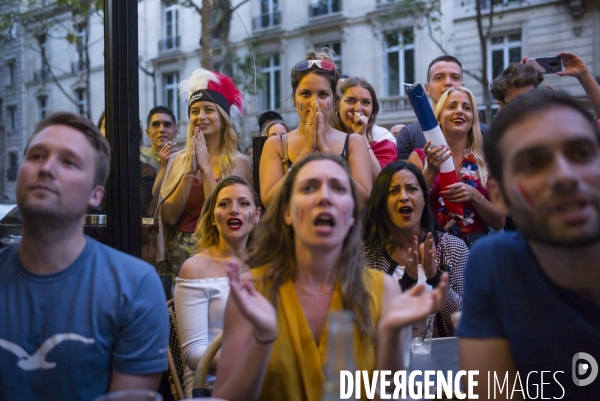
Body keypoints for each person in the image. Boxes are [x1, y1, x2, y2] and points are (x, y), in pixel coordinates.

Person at [212, 153, 448, 401]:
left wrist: (390, 335)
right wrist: (263, 339)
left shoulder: (383, 289)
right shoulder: (252, 291)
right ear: (287, 213)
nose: (324, 197)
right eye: (309, 187)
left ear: (352, 216)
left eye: (337, 188)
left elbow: (389, 395)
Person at [0, 112, 168, 400]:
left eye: (69, 162)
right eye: (37, 156)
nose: (47, 168)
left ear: (96, 195)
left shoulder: (135, 288)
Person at [458, 90, 600, 399]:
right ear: (498, 195)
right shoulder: (494, 265)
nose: (565, 176)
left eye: (582, 153)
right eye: (534, 163)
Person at [155, 68, 252, 272]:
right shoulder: (177, 159)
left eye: (209, 109)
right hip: (178, 259)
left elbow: (224, 215)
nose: (201, 117)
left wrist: (206, 169)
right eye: (194, 111)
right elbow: (169, 217)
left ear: (223, 117)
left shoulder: (239, 163)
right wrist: (189, 172)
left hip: (222, 256)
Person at [174, 176, 261, 398]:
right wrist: (255, 367)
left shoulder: (267, 267)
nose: (234, 210)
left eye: (243, 203)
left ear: (257, 215)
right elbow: (194, 354)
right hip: (212, 386)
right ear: (214, 218)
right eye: (224, 204)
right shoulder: (194, 268)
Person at [259, 51, 373, 211]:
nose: (314, 102)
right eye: (305, 94)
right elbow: (270, 202)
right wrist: (306, 150)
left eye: (323, 94)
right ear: (294, 98)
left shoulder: (354, 142)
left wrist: (326, 151)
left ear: (334, 100)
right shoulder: (276, 144)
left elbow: (362, 203)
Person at [364, 161, 466, 336]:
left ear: (424, 200)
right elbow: (367, 326)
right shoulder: (367, 256)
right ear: (382, 203)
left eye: (411, 189)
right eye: (394, 191)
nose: (404, 196)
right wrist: (405, 284)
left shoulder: (453, 248)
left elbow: (464, 324)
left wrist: (436, 279)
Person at [408, 87, 505, 246]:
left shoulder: (488, 159)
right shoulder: (419, 157)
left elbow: (499, 222)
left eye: (466, 108)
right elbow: (411, 206)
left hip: (477, 245)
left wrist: (475, 196)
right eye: (452, 106)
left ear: (473, 118)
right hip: (433, 244)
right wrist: (431, 171)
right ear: (438, 116)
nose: (459, 111)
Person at [397, 55, 489, 160]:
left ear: (463, 87)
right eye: (439, 78)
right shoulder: (409, 135)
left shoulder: (484, 133)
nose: (448, 83)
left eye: (455, 77)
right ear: (427, 88)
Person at [334, 77, 398, 179]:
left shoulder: (383, 138)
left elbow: (381, 181)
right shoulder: (325, 135)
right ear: (337, 104)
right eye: (350, 101)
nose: (358, 108)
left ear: (373, 109)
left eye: (366, 102)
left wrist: (361, 136)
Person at [142, 106, 178, 216]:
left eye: (167, 125)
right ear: (148, 132)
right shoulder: (139, 161)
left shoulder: (184, 161)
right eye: (156, 125)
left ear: (175, 132)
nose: (161, 129)